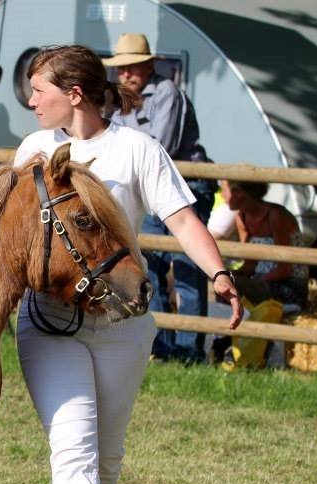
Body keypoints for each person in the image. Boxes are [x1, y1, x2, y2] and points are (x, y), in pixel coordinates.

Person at [12, 45, 242, 484]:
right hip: (50, 322)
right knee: (73, 445)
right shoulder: (34, 151)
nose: (30, 99)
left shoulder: (137, 150)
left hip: (122, 325)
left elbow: (183, 219)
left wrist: (218, 273)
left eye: (39, 89)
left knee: (105, 456)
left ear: (75, 94)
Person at [103, 33, 216, 363]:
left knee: (186, 272)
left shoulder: (167, 92)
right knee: (150, 269)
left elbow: (158, 148)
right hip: (151, 191)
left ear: (149, 64)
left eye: (132, 67)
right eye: (121, 69)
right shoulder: (124, 99)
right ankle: (163, 348)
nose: (126, 74)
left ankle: (190, 351)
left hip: (185, 189)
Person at [226, 180, 309, 309]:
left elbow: (284, 270)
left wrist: (252, 282)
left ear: (239, 193)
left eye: (225, 191)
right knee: (223, 278)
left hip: (287, 286)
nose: (222, 196)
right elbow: (250, 265)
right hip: (262, 281)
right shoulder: (242, 217)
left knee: (228, 283)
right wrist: (232, 273)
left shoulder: (276, 216)